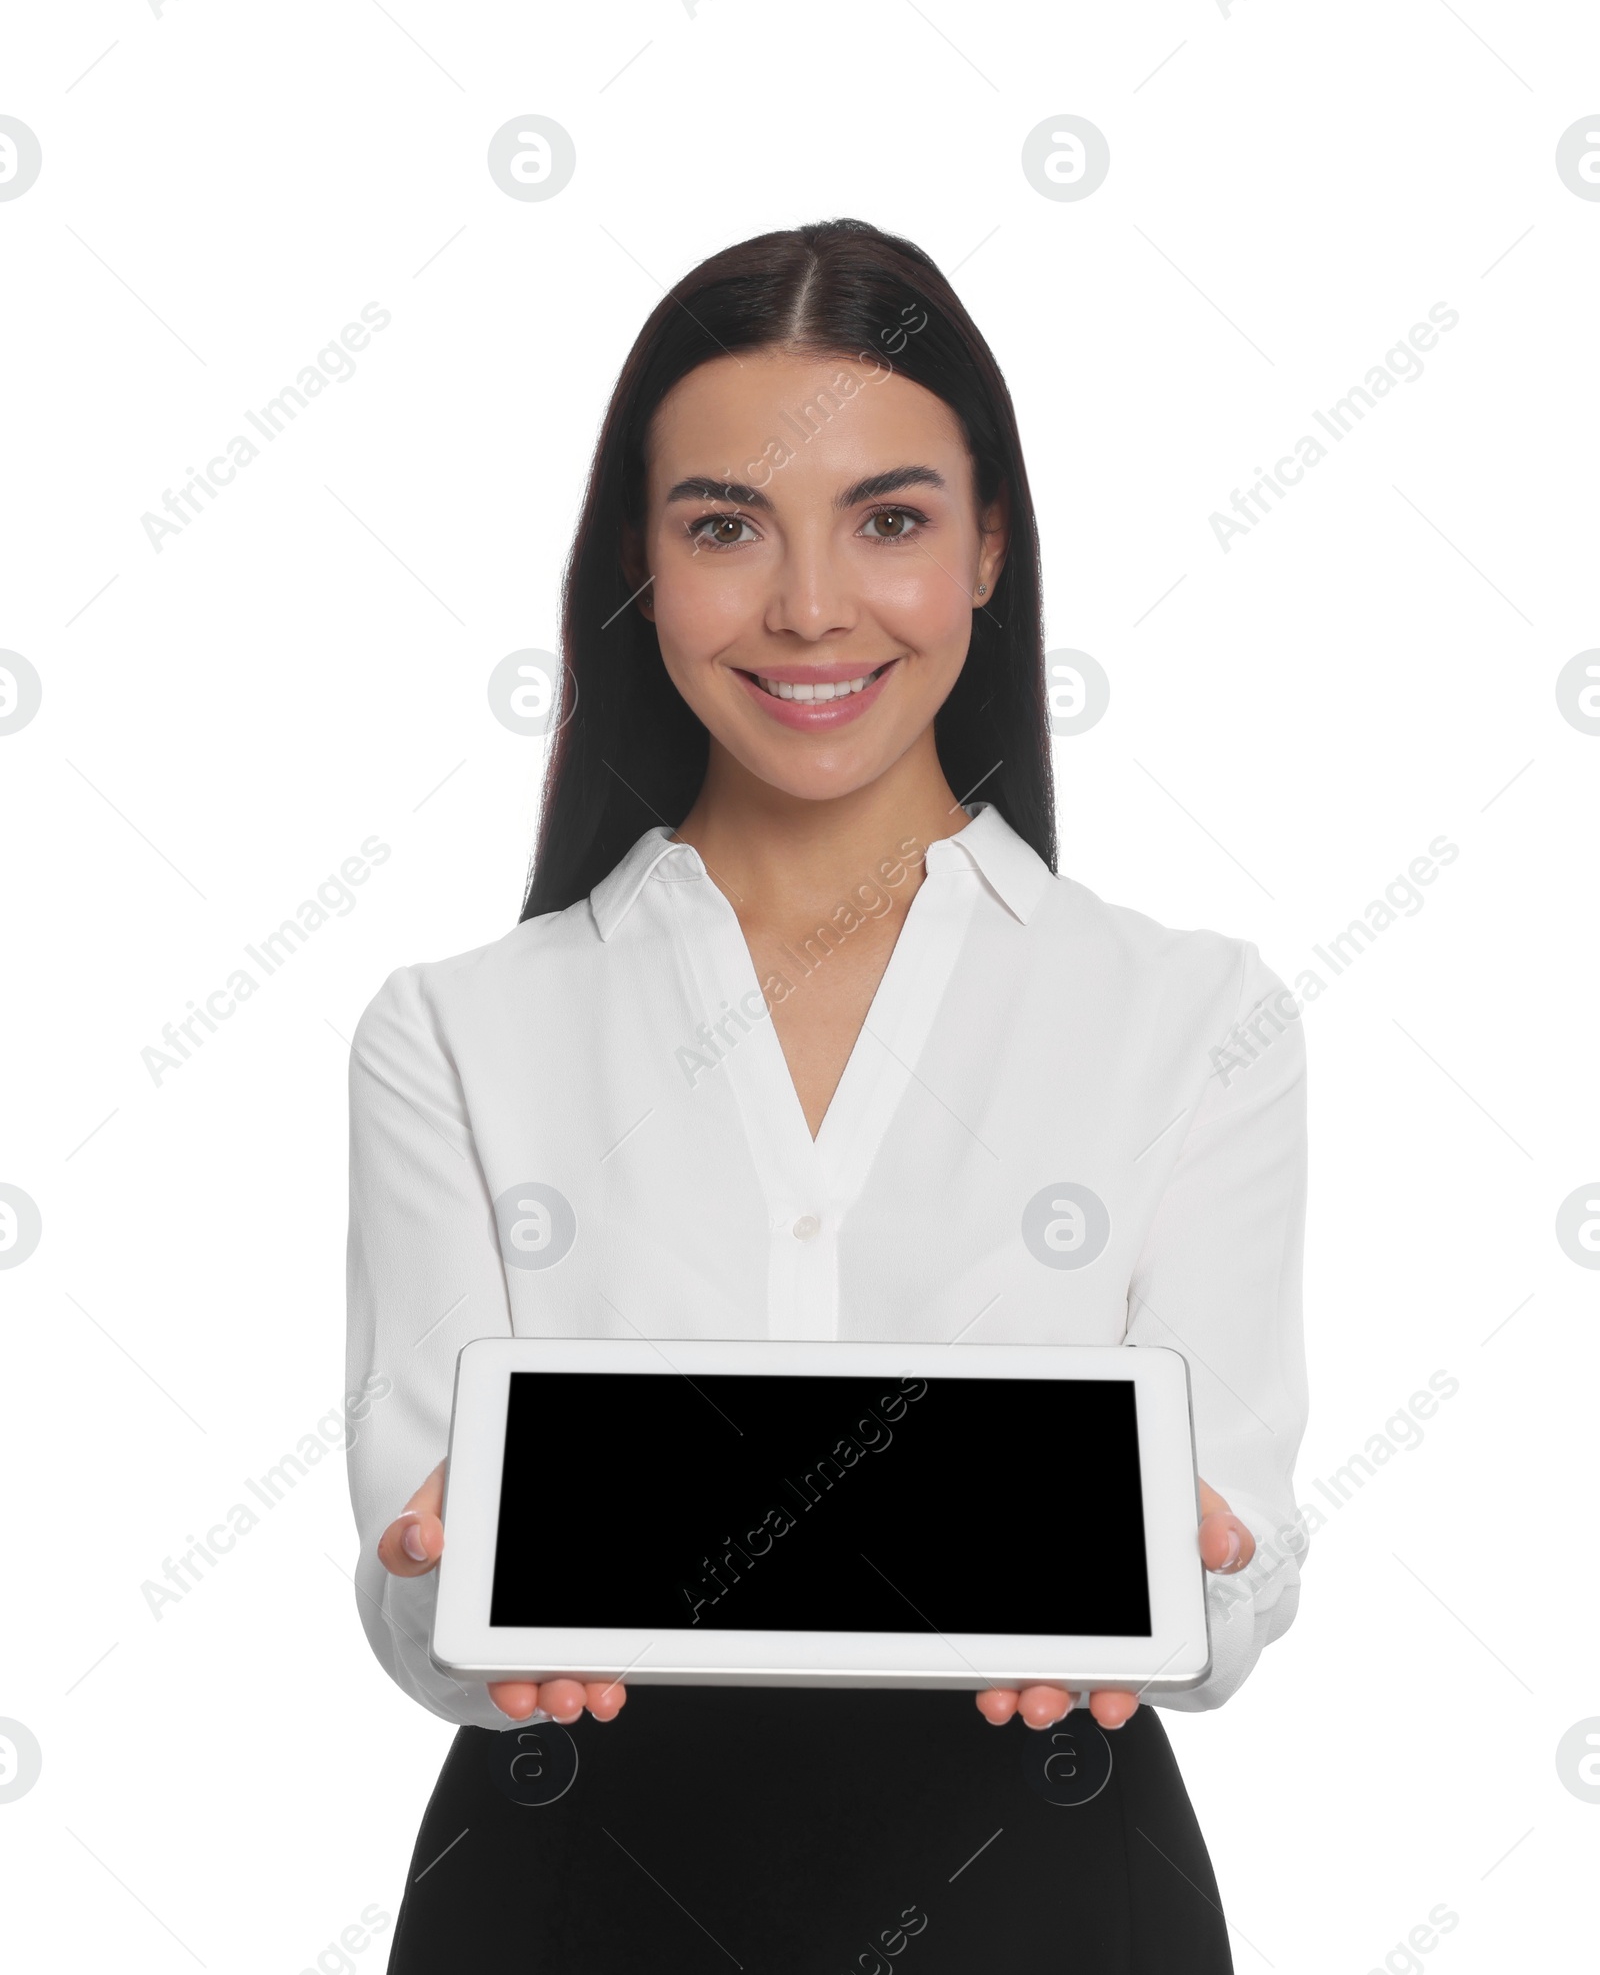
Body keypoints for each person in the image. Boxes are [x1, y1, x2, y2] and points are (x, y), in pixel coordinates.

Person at [344, 218, 1309, 1972]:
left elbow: (1230, 1565)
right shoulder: (456, 1030)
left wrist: (1196, 1573)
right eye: (725, 524)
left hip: (1050, 1895)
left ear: (988, 546)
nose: (808, 605)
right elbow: (424, 1599)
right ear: (639, 556)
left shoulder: (1194, 1017)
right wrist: (440, 1583)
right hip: (565, 1893)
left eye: (890, 519)